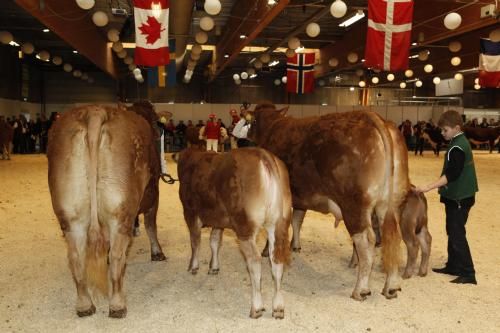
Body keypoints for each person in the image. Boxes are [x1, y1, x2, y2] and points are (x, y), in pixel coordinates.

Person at [415, 110, 478, 285]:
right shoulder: (458, 142)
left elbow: (451, 175)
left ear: (457, 128)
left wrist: (427, 187)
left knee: (457, 234)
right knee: (452, 230)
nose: (442, 133)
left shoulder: (457, 147)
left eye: (445, 130)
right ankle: (453, 265)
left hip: (459, 197)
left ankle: (468, 272)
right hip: (458, 196)